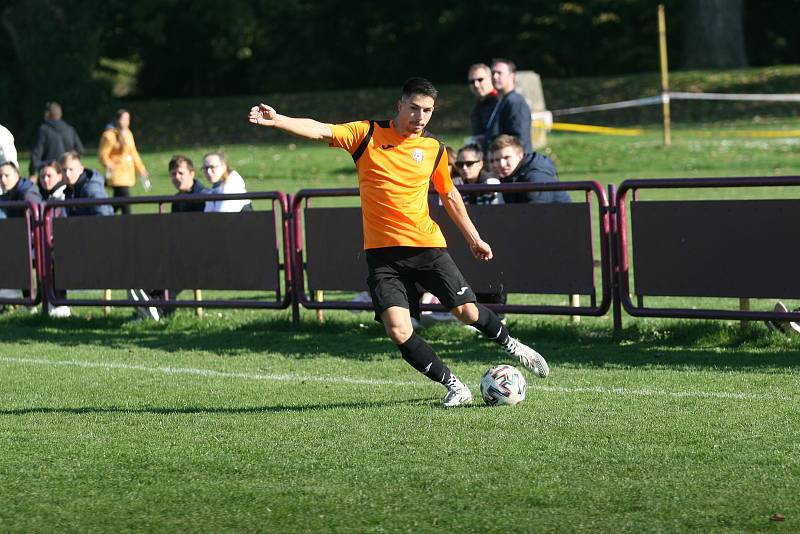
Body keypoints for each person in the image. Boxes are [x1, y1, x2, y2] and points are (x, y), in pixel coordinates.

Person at [248, 77, 549, 408]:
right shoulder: (367, 135)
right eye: (414, 108)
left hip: (426, 248)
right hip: (383, 257)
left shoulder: (434, 149)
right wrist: (277, 120)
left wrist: (474, 238)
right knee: (398, 329)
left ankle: (513, 346)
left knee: (466, 311)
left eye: (428, 111)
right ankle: (455, 386)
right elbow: (321, 130)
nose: (420, 117)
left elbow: (448, 194)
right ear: (400, 105)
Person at [489, 134, 571, 204]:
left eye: (507, 157)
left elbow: (537, 213)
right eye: (496, 160)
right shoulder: (508, 176)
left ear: (520, 156)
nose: (501, 164)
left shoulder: (535, 177)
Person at [98, 109, 151, 215]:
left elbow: (134, 154)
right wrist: (108, 164)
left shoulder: (129, 134)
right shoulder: (109, 135)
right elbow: (103, 154)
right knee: (126, 201)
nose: (126, 121)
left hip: (127, 173)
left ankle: (103, 215)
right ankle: (127, 221)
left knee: (118, 202)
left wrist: (141, 170)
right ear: (117, 120)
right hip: (117, 173)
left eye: (128, 119)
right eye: (123, 119)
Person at [485, 58, 532, 155]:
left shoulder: (516, 102)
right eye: (493, 73)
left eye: (499, 73)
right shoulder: (501, 101)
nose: (495, 76)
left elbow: (519, 140)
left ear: (512, 76)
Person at [29, 102, 84, 178]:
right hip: (67, 175)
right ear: (60, 114)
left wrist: (32, 172)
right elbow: (80, 151)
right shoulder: (69, 129)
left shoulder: (44, 130)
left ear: (47, 114)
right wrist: (70, 163)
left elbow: (36, 155)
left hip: (49, 176)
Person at [60, 151, 113, 216]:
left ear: (81, 169)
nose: (67, 174)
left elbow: (103, 216)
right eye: (64, 170)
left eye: (71, 169)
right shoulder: (69, 189)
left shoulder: (91, 189)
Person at [467, 63, 498, 148]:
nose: (476, 85)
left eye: (480, 80)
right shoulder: (477, 107)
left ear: (491, 79)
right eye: (472, 81)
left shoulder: (500, 103)